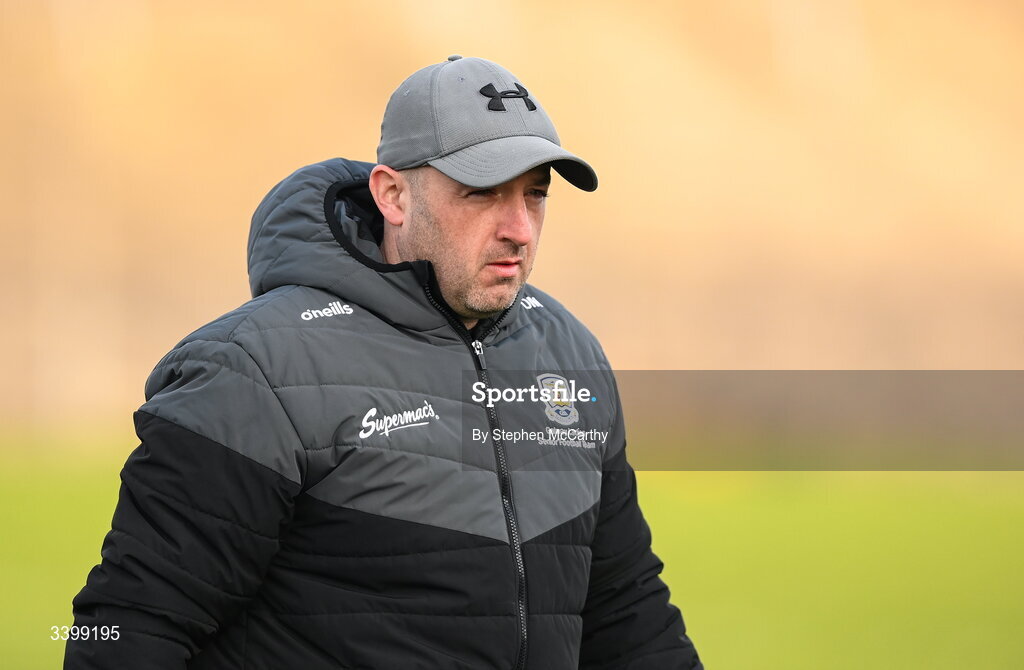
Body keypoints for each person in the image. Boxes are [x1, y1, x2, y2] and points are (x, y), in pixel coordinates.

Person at [66, 55, 703, 669]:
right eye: (483, 193)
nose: (520, 228)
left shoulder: (569, 353)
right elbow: (127, 629)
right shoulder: (254, 371)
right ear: (392, 195)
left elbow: (626, 615)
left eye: (535, 195)